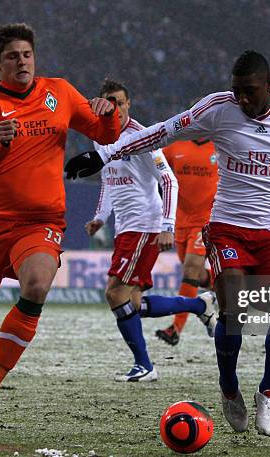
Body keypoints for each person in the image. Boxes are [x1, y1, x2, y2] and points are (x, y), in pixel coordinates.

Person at [66, 50, 270, 435]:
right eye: (236, 91)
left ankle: (268, 391)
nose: (241, 99)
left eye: (249, 91)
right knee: (231, 302)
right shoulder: (217, 108)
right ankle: (229, 388)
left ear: (269, 86)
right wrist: (104, 154)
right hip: (228, 225)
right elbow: (161, 131)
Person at [0, 23, 121, 426]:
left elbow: (102, 131)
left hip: (40, 221)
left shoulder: (58, 91)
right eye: (12, 56)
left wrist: (107, 113)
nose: (21, 61)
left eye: (26, 54)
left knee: (38, 285)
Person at [84, 79, 217, 382]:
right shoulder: (99, 139)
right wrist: (101, 217)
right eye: (108, 102)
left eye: (119, 102)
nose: (114, 108)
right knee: (130, 302)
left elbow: (169, 180)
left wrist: (166, 226)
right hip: (125, 228)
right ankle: (200, 304)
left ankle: (144, 365)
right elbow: (108, 180)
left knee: (114, 293)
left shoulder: (142, 138)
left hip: (145, 226)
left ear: (128, 104)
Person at [154, 131, 218, 346]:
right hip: (179, 221)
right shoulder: (175, 147)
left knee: (190, 270)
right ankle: (230, 291)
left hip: (206, 221)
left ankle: (175, 329)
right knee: (195, 275)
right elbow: (154, 163)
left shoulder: (221, 147)